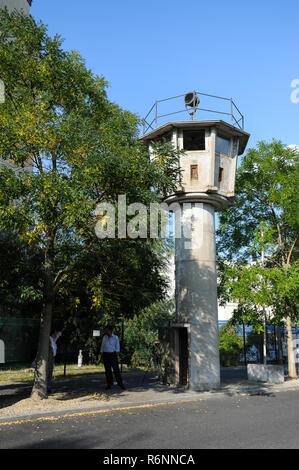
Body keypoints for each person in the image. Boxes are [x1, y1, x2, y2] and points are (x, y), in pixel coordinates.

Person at [100, 325, 126, 390]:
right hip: (105, 355)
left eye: (107, 330)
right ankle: (109, 384)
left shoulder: (115, 337)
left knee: (116, 370)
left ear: (110, 330)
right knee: (108, 371)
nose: (106, 331)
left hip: (113, 355)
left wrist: (116, 356)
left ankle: (120, 384)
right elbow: (102, 347)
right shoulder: (104, 337)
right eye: (105, 330)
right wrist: (101, 356)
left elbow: (117, 348)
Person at [48, 325, 66, 393]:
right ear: (52, 334)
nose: (56, 334)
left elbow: (59, 334)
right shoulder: (49, 339)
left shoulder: (53, 339)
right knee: (48, 372)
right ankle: (47, 387)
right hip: (49, 358)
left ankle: (48, 387)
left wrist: (64, 328)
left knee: (50, 372)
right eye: (55, 333)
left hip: (52, 358)